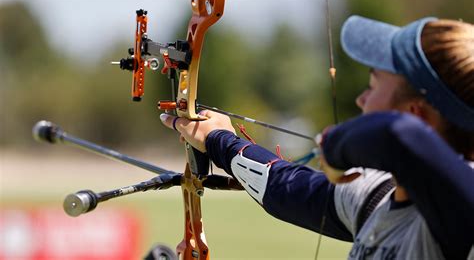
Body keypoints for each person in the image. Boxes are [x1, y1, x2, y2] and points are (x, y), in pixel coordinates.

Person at [160, 15, 474, 259]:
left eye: (374, 85)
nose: (362, 100)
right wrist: (219, 140)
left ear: (415, 113)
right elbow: (287, 187)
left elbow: (397, 134)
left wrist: (337, 147)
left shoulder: (462, 216)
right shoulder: (376, 195)